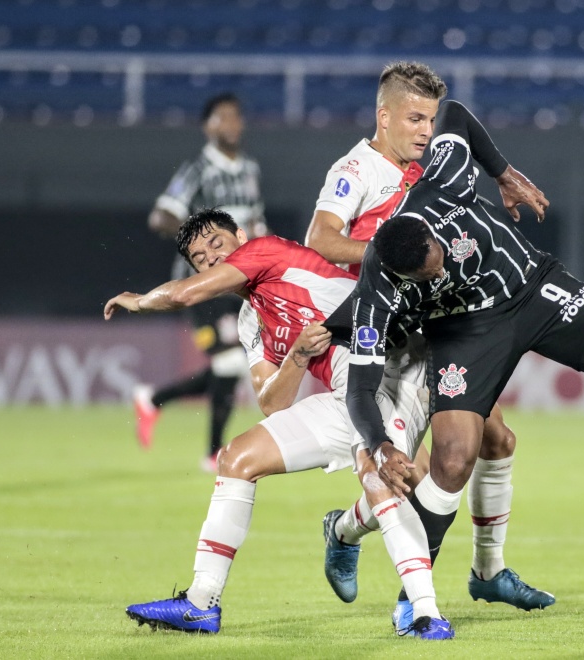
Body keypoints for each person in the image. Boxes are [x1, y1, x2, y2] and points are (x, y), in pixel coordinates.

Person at [343, 100, 584, 606]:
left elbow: (453, 113)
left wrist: (503, 173)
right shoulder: (379, 286)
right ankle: (414, 597)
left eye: (437, 263)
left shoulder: (446, 181)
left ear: (434, 235)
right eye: (426, 277)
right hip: (463, 330)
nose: (438, 274)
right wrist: (378, 443)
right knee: (454, 461)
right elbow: (360, 387)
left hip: (531, 287)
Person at [105, 210, 453, 640]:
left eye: (217, 244)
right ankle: (200, 602)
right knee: (236, 458)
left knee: (385, 475)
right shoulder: (250, 320)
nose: (211, 259)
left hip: (397, 365)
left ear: (241, 236)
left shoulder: (265, 252)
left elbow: (182, 297)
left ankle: (425, 612)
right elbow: (273, 401)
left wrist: (137, 300)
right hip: (350, 389)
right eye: (199, 257)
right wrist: (297, 356)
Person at [304, 61, 552, 631]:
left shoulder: (425, 168)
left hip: (437, 328)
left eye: (429, 119)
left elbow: (461, 125)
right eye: (414, 118)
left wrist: (502, 173)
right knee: (417, 471)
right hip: (385, 340)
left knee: (496, 441)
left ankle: (488, 572)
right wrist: (389, 257)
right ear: (383, 116)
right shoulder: (356, 170)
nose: (424, 130)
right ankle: (348, 535)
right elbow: (320, 237)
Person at [134, 92, 268, 472]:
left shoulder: (250, 170)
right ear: (208, 126)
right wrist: (201, 240)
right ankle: (212, 453)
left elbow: (256, 224)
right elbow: (161, 217)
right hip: (202, 287)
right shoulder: (198, 169)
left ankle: (155, 399)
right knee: (228, 362)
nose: (232, 124)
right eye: (222, 118)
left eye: (236, 117)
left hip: (240, 285)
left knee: (232, 366)